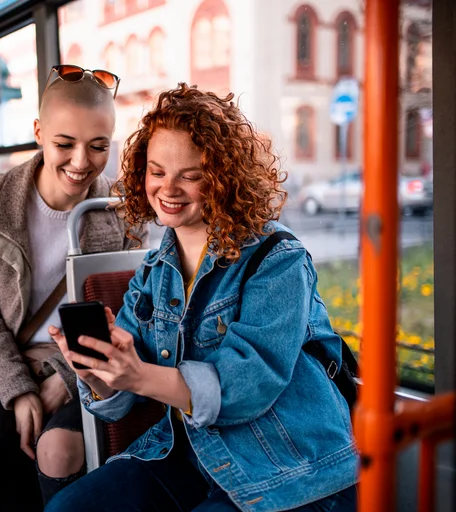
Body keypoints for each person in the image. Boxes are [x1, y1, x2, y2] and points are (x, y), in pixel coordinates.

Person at [46, 84, 359, 512]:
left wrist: (138, 375)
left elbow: (246, 387)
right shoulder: (154, 273)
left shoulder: (279, 261)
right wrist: (98, 370)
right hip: (188, 453)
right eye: (157, 172)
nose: (168, 189)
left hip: (289, 469)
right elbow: (117, 405)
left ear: (223, 180)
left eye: (189, 176)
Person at [0, 65, 146, 511]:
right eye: (64, 144)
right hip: (8, 358)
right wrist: (18, 389)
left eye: (98, 147)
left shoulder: (121, 213)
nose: (81, 163)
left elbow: (127, 310)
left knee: (60, 449)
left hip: (84, 364)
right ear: (38, 132)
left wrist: (65, 375)